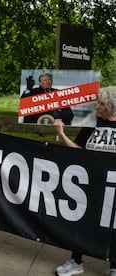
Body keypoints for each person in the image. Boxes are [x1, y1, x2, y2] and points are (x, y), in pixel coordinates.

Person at [54, 86, 116, 276]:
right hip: (89, 186)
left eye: (101, 104)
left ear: (112, 108)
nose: (96, 107)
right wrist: (62, 134)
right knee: (81, 222)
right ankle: (76, 261)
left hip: (113, 188)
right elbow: (78, 151)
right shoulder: (92, 124)